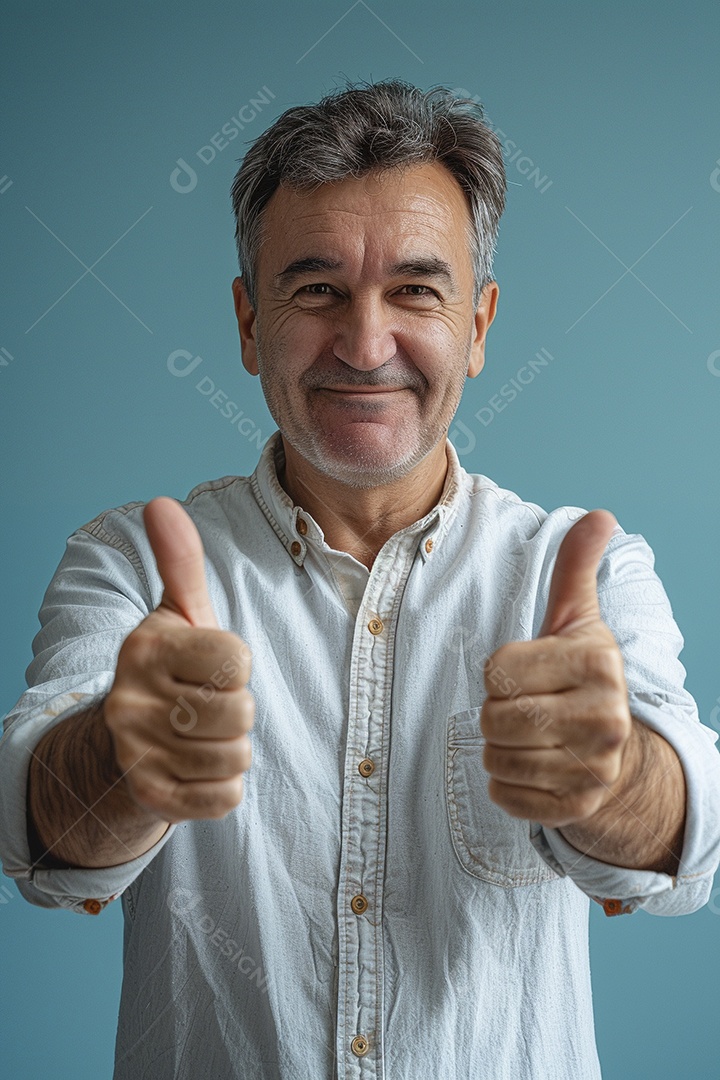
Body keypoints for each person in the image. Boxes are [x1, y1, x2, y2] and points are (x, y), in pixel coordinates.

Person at [1, 79, 719, 1080]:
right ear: (250, 325)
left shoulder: (579, 574)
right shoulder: (130, 562)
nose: (366, 344)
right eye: (317, 290)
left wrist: (613, 777)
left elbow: (688, 842)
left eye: (417, 291)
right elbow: (41, 841)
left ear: (478, 324)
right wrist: (123, 758)